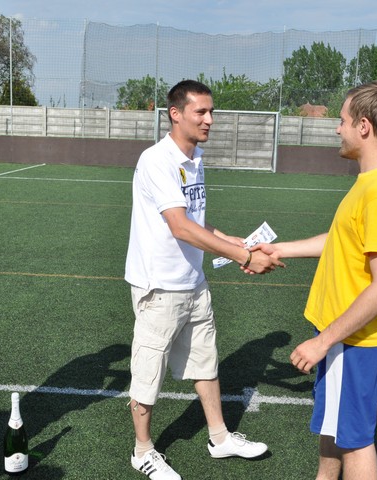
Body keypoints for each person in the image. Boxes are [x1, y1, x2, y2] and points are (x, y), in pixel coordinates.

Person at [251, 81, 377, 480]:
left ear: (363, 126)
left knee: (355, 441)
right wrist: (280, 249)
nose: (337, 128)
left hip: (354, 339)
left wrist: (324, 341)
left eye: (342, 121)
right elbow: (342, 240)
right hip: (345, 335)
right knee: (336, 428)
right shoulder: (372, 181)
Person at [124, 79, 282, 480]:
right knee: (149, 371)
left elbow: (194, 219)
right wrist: (244, 256)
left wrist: (230, 240)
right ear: (176, 114)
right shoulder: (156, 160)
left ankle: (220, 437)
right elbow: (179, 226)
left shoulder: (195, 158)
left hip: (192, 281)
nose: (210, 119)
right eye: (201, 112)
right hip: (159, 286)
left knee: (206, 361)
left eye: (211, 112)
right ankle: (142, 451)